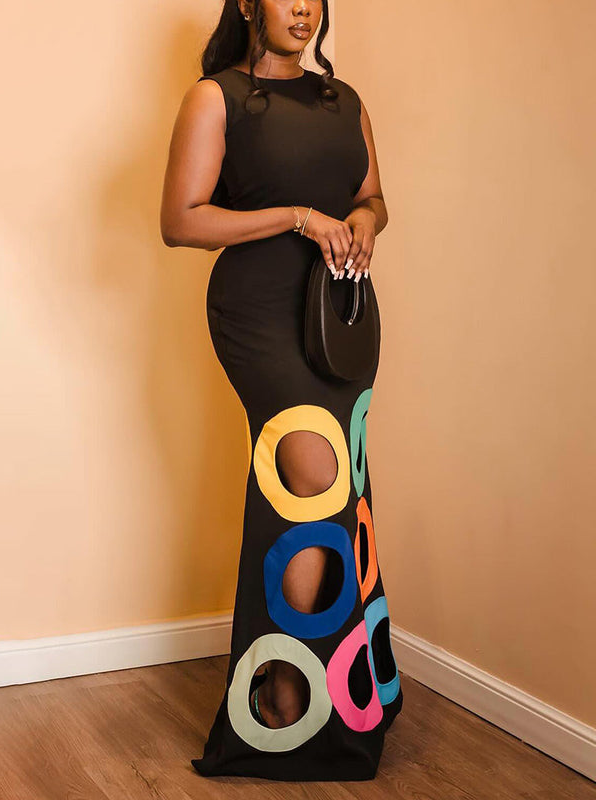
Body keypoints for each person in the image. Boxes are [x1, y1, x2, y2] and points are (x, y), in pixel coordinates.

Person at [160, 0, 403, 782]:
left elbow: (375, 197)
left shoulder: (345, 100)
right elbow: (180, 221)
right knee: (313, 478)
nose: (303, 7)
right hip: (258, 311)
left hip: (338, 314)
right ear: (246, 3)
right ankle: (286, 687)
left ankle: (328, 687)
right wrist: (296, 217)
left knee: (336, 492)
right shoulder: (217, 97)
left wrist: (362, 222)